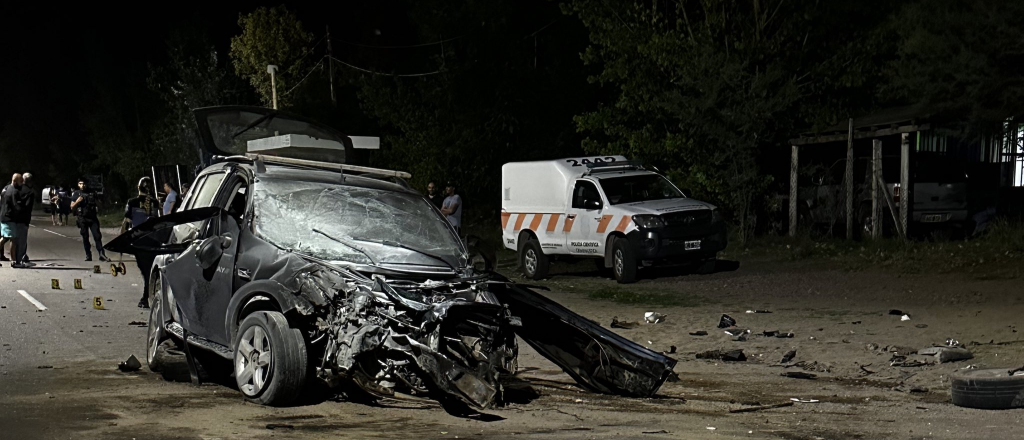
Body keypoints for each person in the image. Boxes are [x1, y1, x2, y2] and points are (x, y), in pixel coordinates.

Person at [125, 177, 160, 308]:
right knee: (150, 267)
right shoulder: (155, 202)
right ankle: (149, 294)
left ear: (138, 187)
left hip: (138, 238)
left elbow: (127, 222)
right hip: (153, 238)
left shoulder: (132, 202)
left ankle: (146, 297)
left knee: (144, 269)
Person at [71, 177, 109, 262]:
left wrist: (96, 201)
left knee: (97, 236)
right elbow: (72, 206)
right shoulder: (76, 193)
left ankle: (101, 254)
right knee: (85, 237)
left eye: (84, 184)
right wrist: (77, 201)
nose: (82, 185)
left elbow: (100, 205)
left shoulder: (92, 193)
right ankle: (88, 255)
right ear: (78, 184)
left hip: (92, 218)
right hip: (82, 218)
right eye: (80, 184)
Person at [0, 174, 27, 268]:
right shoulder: (14, 191)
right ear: (15, 181)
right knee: (13, 239)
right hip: (9, 217)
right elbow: (16, 206)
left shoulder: (5, 188)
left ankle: (13, 260)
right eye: (20, 181)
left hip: (3, 215)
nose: (22, 184)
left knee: (4, 237)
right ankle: (14, 261)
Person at [15, 172, 35, 264]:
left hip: (13, 217)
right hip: (24, 218)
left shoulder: (16, 189)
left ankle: (15, 256)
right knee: (22, 239)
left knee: (14, 238)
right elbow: (28, 207)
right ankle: (21, 257)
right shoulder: (30, 192)